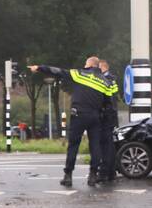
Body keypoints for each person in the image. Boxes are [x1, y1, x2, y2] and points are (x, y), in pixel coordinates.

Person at [28, 57, 117, 187]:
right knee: (95, 146)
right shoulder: (105, 82)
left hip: (79, 115)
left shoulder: (79, 74)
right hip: (95, 117)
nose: (84, 65)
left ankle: (68, 176)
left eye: (86, 63)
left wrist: (39, 68)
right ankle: (93, 176)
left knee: (73, 145)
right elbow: (109, 104)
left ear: (89, 65)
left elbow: (57, 71)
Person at [97, 60, 119, 182]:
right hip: (110, 116)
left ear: (103, 67)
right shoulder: (111, 79)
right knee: (109, 145)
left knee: (105, 146)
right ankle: (111, 172)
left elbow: (108, 100)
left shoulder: (107, 80)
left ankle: (104, 172)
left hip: (106, 117)